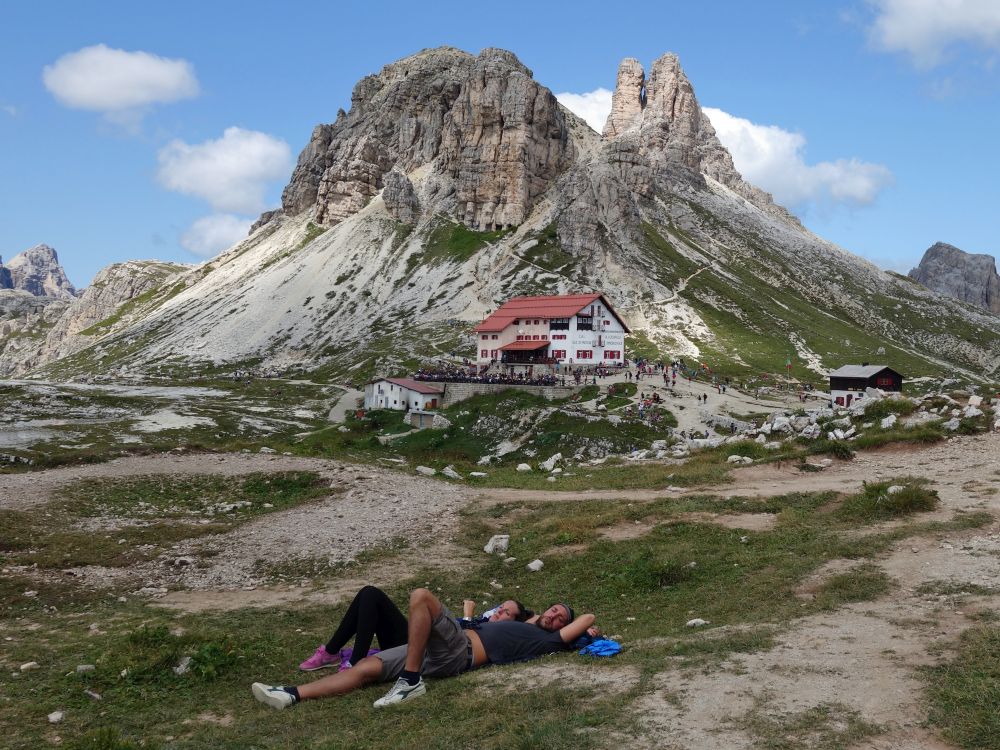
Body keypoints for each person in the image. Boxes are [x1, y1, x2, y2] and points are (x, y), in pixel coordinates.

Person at [253, 588, 595, 709]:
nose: (554, 614)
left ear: (564, 626)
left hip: (459, 651)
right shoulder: (522, 622)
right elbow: (526, 613)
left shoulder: (548, 640)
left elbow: (590, 615)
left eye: (561, 616)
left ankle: (411, 681)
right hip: (434, 652)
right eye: (553, 608)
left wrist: (574, 626)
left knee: (421, 597)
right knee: (366, 669)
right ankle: (292, 693)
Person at [297, 585, 527, 672]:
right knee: (369, 594)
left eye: (507, 612)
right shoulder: (483, 621)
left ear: (514, 624)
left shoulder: (498, 635)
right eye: (501, 607)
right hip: (414, 638)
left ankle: (355, 661)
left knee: (372, 597)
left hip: (423, 650)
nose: (500, 611)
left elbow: (455, 641)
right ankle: (330, 651)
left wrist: (467, 615)